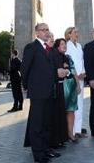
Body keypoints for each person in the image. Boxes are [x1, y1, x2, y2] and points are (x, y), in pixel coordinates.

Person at [21, 23, 66, 163]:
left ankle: (46, 150)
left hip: (50, 92)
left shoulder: (49, 49)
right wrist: (26, 86)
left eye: (48, 29)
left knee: (46, 124)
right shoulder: (31, 47)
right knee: (37, 125)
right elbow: (25, 68)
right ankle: (38, 155)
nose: (46, 32)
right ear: (37, 33)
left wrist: (58, 73)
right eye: (43, 30)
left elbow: (51, 70)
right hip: (38, 92)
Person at [54, 38, 81, 143]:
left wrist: (78, 85)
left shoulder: (68, 57)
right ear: (57, 47)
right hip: (62, 86)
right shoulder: (55, 57)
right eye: (61, 44)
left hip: (72, 86)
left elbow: (74, 71)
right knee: (62, 111)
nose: (64, 46)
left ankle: (71, 133)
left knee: (71, 110)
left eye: (65, 44)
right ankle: (62, 135)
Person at [65, 27, 87, 139]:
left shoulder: (79, 46)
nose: (77, 34)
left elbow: (82, 61)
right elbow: (69, 63)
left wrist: (83, 73)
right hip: (73, 79)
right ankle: (71, 131)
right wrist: (76, 75)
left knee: (80, 104)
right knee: (73, 105)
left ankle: (78, 130)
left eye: (77, 32)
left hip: (82, 78)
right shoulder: (67, 46)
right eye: (75, 32)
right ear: (69, 34)